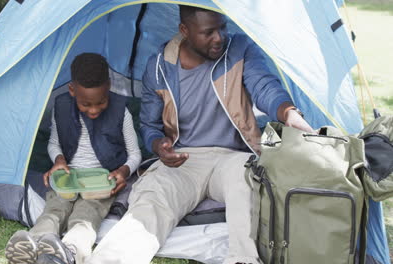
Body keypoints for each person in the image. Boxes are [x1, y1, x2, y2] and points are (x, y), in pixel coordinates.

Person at [85, 6, 314, 264]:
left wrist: (289, 113)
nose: (220, 37)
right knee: (153, 196)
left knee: (246, 182)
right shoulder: (160, 67)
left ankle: (243, 259)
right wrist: (159, 145)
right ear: (185, 31)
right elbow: (149, 125)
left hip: (233, 156)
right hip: (184, 159)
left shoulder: (240, 50)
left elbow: (265, 87)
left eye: (222, 27)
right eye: (209, 32)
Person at [4, 53, 141, 264]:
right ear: (72, 91)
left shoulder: (122, 111)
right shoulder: (61, 107)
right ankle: (33, 243)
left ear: (109, 88)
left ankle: (71, 251)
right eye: (86, 104)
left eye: (101, 102)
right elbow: (53, 143)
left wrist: (124, 171)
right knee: (54, 209)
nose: (94, 110)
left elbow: (135, 154)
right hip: (68, 177)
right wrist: (59, 160)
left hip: (101, 180)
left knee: (87, 215)